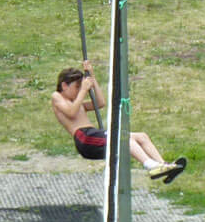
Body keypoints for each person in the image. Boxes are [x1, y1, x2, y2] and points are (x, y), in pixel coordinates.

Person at [51, 62, 186, 181]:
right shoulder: (57, 97)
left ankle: (163, 165)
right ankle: (150, 165)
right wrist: (84, 90)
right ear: (64, 85)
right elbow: (71, 112)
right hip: (85, 138)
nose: (80, 90)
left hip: (93, 134)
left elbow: (100, 103)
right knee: (124, 139)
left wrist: (93, 78)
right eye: (77, 87)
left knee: (141, 136)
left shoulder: (76, 102)